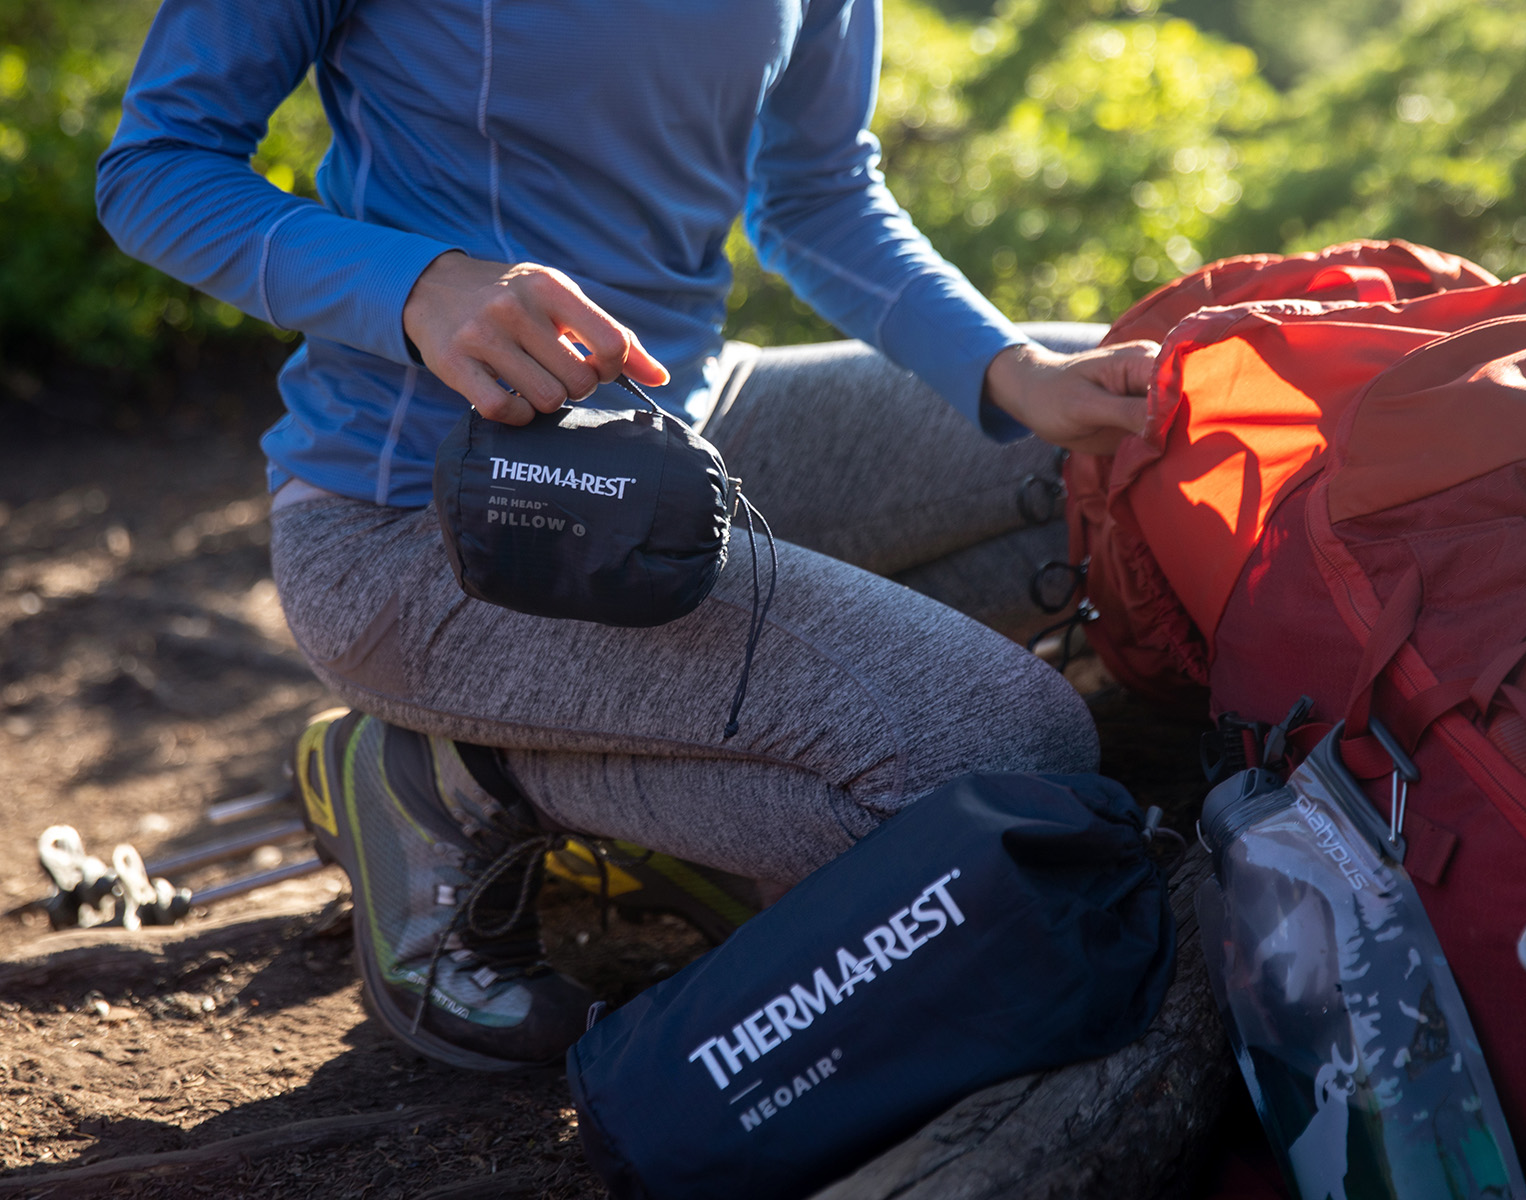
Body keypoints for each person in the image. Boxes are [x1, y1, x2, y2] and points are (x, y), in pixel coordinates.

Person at [98, 0, 1157, 1071]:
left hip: (688, 433)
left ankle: (670, 750)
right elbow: (154, 168)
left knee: (1121, 468)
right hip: (434, 525)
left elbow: (819, 192)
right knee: (1015, 758)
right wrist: (415, 285)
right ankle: (458, 778)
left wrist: (1016, 371)